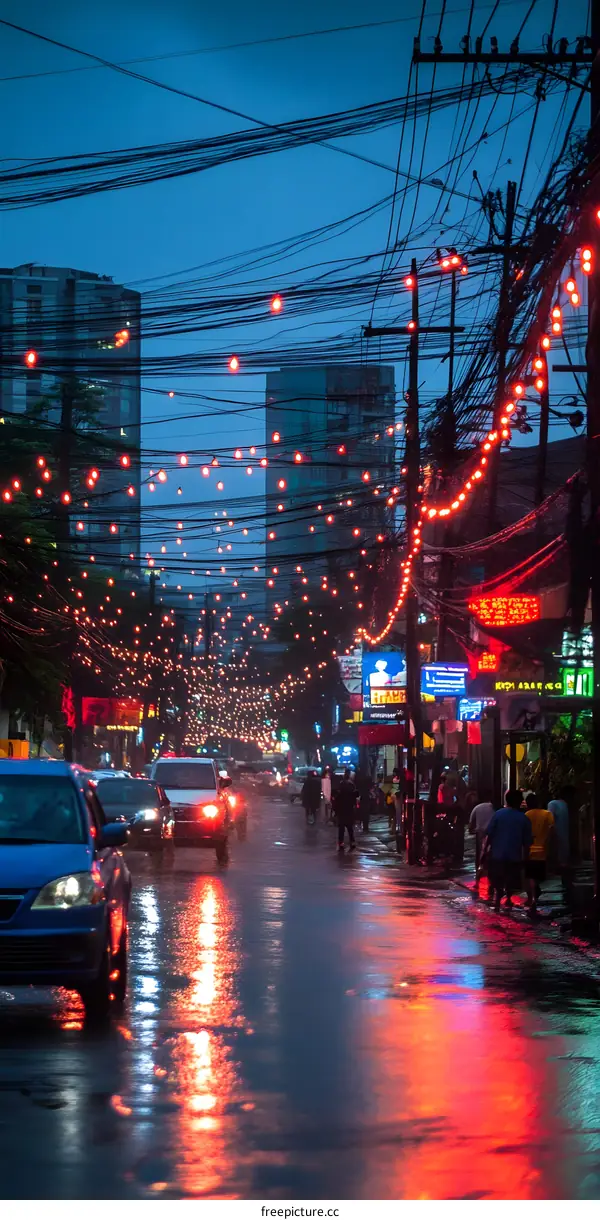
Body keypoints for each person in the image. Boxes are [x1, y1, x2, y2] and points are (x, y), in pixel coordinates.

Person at [484, 788, 532, 912]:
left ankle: (498, 900)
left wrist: (484, 851)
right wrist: (526, 859)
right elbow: (527, 842)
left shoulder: (499, 814)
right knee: (510, 881)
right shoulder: (523, 818)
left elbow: (489, 835)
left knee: (497, 879)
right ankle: (508, 899)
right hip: (514, 856)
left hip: (497, 855)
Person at [524, 792, 555, 912]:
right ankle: (534, 898)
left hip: (529, 850)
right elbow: (552, 829)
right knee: (538, 875)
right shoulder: (547, 814)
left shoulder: (526, 814)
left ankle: (532, 898)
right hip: (543, 850)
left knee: (530, 875)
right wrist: (548, 842)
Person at [468, 789, 495, 882]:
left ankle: (478, 877)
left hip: (480, 833)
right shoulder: (493, 807)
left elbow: (471, 824)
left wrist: (472, 830)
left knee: (480, 854)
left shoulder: (477, 808)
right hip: (492, 833)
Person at [333, 768, 358, 851]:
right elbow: (355, 795)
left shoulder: (341, 785)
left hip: (341, 809)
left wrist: (335, 809)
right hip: (349, 808)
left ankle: (341, 842)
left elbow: (337, 797)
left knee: (341, 827)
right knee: (350, 827)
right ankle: (352, 842)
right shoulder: (352, 785)